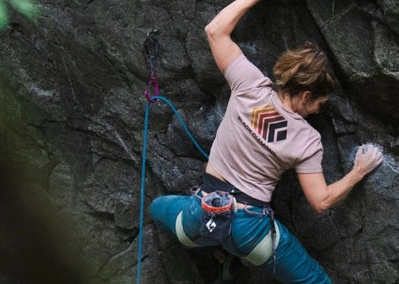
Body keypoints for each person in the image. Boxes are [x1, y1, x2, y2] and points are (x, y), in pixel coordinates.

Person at [149, 0, 384, 282]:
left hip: (200, 216)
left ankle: (216, 248)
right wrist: (358, 171)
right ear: (305, 96)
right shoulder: (307, 140)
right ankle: (228, 250)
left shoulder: (248, 84)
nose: (319, 110)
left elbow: (215, 31)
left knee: (157, 208)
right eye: (318, 103)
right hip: (252, 235)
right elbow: (321, 201)